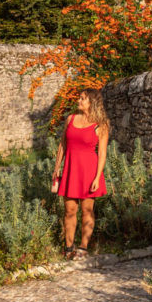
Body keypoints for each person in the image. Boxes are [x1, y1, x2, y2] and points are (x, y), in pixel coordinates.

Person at [51, 89, 109, 259]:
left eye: (83, 98)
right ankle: (69, 247)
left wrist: (98, 177)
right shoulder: (70, 119)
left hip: (89, 172)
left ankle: (83, 247)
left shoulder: (101, 124)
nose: (79, 100)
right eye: (80, 97)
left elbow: (102, 153)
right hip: (70, 170)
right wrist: (57, 167)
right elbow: (62, 144)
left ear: (92, 102)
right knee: (69, 210)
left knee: (87, 210)